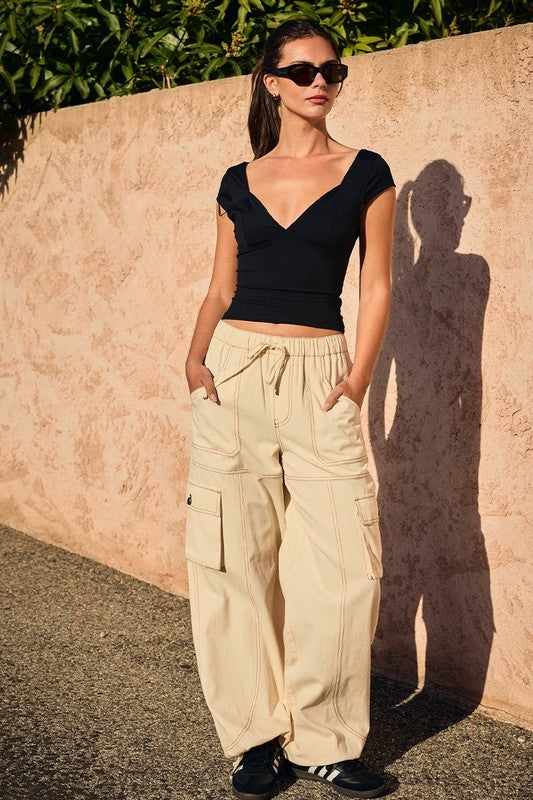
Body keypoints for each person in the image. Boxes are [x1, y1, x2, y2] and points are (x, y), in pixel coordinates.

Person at [184, 17, 396, 800]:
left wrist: (359, 378)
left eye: (331, 70)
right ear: (271, 82)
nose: (319, 82)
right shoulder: (236, 180)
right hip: (233, 372)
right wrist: (194, 358)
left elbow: (376, 284)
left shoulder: (366, 172)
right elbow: (220, 285)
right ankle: (254, 739)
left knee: (341, 568)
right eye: (302, 71)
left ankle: (325, 743)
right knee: (232, 563)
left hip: (320, 376)